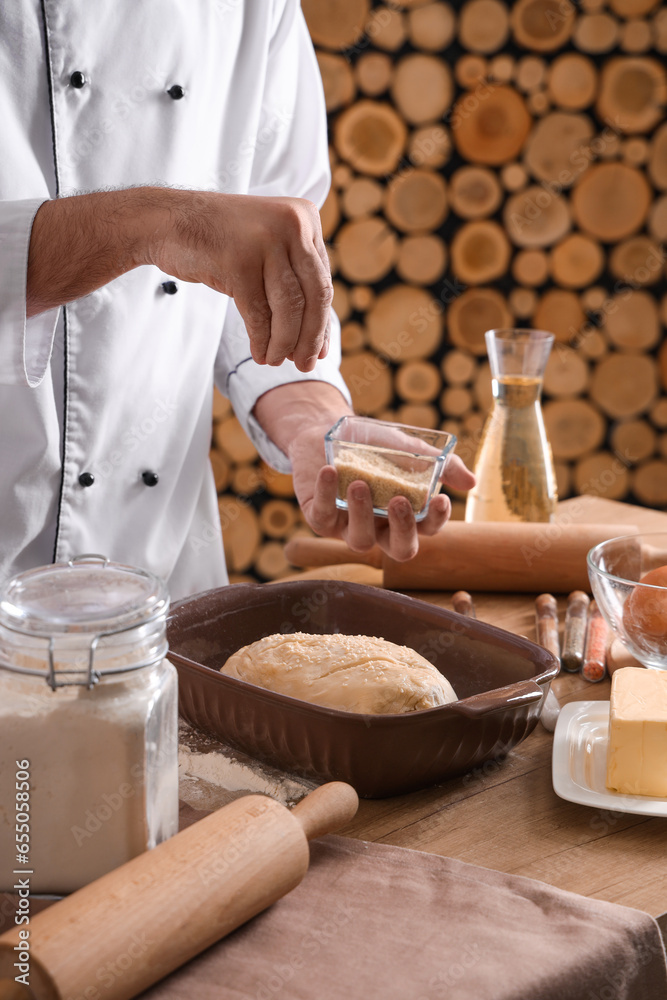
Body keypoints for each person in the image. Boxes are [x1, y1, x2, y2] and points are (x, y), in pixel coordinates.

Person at [0, 1, 473, 599]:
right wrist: (157, 225)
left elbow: (263, 238)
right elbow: (203, 230)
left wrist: (313, 421)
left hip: (159, 579)